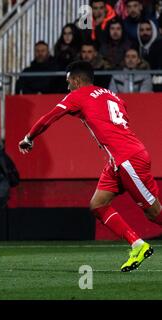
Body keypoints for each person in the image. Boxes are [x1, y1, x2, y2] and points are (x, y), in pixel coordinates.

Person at [18, 61, 161, 272]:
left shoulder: (79, 95)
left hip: (128, 159)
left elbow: (49, 117)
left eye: (68, 83)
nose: (68, 88)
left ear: (76, 80)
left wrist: (29, 137)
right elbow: (123, 117)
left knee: (154, 212)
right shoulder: (112, 95)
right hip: (118, 160)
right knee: (98, 205)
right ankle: (138, 245)